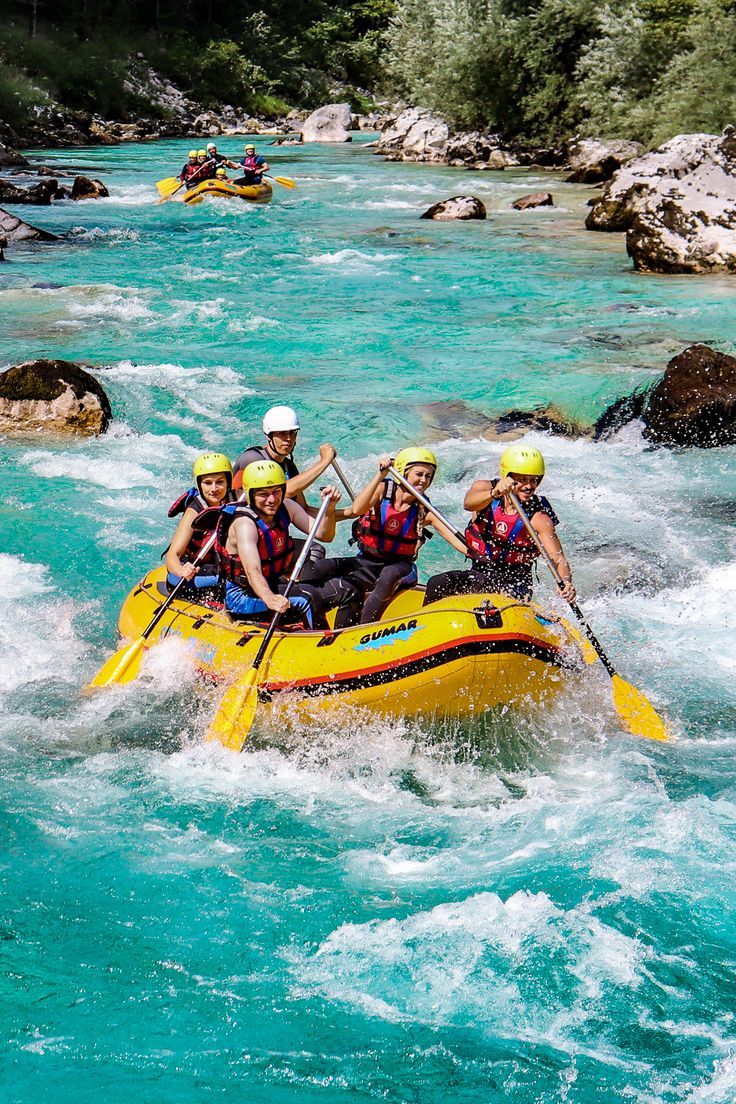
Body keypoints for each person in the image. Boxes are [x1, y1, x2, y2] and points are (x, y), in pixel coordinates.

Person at [302, 448, 466, 628]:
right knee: (322, 567)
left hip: (401, 568)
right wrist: (380, 475)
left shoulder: (424, 508)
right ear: (403, 472)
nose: (423, 480)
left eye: (428, 476)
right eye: (419, 474)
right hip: (367, 562)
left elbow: (453, 538)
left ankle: (363, 629)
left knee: (389, 574)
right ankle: (308, 621)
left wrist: (474, 553)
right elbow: (357, 509)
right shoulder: (383, 490)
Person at [423, 444, 576, 605]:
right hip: (479, 572)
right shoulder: (484, 489)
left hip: (515, 583)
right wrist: (494, 493)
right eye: (522, 480)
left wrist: (566, 582)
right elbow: (468, 504)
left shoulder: (538, 518)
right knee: (437, 583)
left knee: (484, 593)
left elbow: (558, 558)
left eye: (534, 480)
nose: (529, 486)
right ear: (507, 477)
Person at [215, 460, 339, 627]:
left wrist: (329, 510)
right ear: (250, 494)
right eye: (263, 494)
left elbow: (324, 535)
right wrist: (269, 597)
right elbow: (253, 571)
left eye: (276, 491)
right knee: (307, 597)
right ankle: (322, 645)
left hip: (273, 583)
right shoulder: (245, 524)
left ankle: (349, 637)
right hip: (243, 597)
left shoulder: (286, 506)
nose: (272, 499)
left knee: (346, 589)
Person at [232, 406, 337, 578]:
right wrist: (324, 462)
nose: (288, 439)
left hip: (268, 536)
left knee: (316, 550)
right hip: (244, 534)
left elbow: (303, 509)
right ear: (269, 435)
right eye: (281, 434)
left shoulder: (289, 467)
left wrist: (348, 512)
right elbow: (285, 492)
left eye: (292, 433)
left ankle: (295, 587)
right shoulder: (252, 458)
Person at [165, 453, 237, 596]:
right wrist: (181, 571)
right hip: (196, 569)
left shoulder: (239, 498)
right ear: (199, 484)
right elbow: (172, 555)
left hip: (222, 564)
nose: (214, 488)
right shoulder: (194, 511)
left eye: (220, 482)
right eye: (208, 483)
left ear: (228, 482)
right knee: (229, 579)